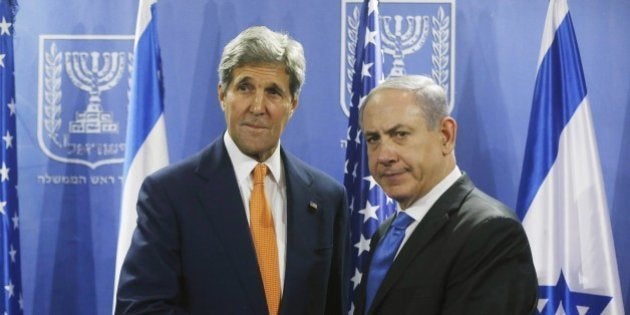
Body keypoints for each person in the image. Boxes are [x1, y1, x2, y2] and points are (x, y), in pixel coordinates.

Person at [115, 26, 350, 314]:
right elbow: (140, 308)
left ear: (293, 104)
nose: (257, 106)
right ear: (222, 95)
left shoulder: (328, 199)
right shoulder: (170, 194)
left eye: (273, 92)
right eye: (245, 87)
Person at [353, 75, 538, 314]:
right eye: (373, 139)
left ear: (446, 135)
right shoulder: (387, 233)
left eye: (400, 134)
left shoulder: (491, 232)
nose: (384, 156)